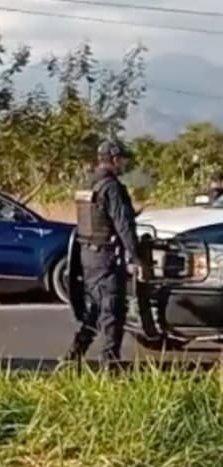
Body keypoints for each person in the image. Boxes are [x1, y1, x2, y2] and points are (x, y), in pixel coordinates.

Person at [65, 140, 146, 369]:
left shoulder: (89, 184)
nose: (124, 164)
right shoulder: (112, 187)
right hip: (106, 256)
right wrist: (136, 257)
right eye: (123, 160)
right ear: (114, 159)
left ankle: (74, 355)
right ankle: (109, 364)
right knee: (113, 309)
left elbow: (97, 217)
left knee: (96, 308)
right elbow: (123, 225)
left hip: (88, 255)